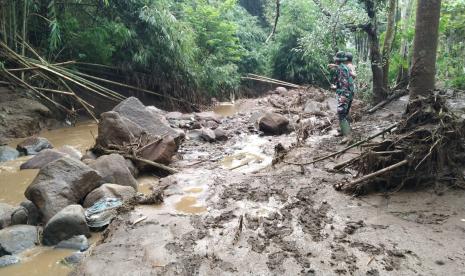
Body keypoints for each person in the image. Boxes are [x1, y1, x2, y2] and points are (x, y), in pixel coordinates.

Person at [328, 51, 354, 139]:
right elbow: (345, 81)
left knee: (341, 113)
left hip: (345, 93)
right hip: (349, 92)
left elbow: (344, 84)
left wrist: (342, 95)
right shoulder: (345, 67)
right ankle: (344, 131)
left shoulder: (341, 69)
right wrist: (336, 87)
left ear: (337, 60)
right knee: (345, 113)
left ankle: (348, 137)